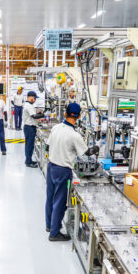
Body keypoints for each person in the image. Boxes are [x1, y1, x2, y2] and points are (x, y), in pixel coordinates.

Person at [45, 103, 99, 241]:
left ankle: (49, 226)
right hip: (63, 171)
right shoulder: (75, 136)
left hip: (51, 167)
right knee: (60, 202)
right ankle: (54, 234)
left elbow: (47, 147)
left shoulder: (56, 128)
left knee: (50, 198)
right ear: (79, 116)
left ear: (65, 113)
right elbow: (87, 153)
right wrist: (96, 148)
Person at [23, 90, 46, 168]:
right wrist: (44, 114)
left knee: (30, 145)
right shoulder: (28, 106)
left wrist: (39, 114)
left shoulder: (30, 105)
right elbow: (34, 116)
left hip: (30, 127)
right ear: (30, 97)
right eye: (34, 98)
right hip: (29, 127)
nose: (35, 100)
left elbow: (34, 115)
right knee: (29, 145)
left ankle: (29, 160)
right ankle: (28, 162)